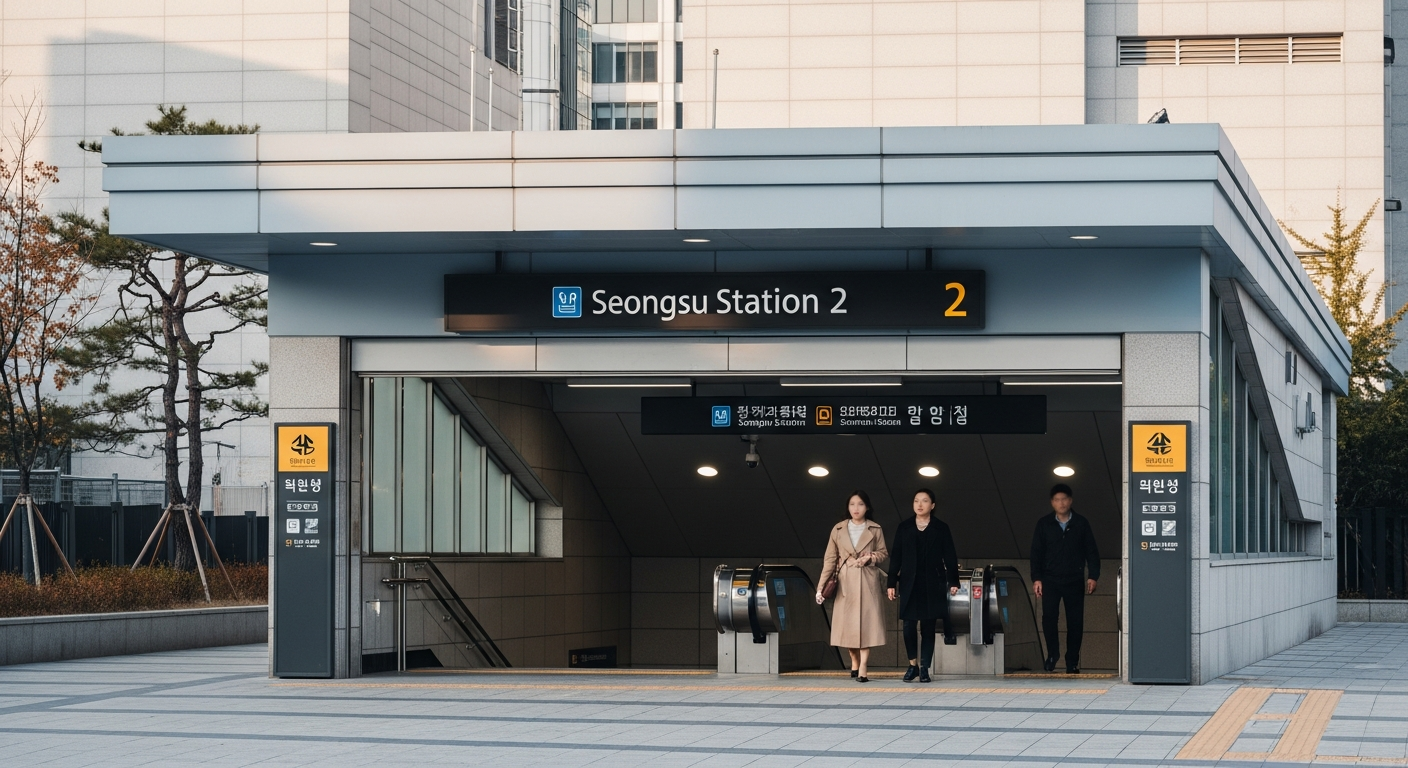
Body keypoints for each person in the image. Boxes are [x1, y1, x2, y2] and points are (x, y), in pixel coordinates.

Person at [885, 488, 960, 683]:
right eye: (916, 500)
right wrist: (891, 582)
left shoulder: (941, 528)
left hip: (932, 582)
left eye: (925, 501)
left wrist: (953, 581)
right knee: (909, 625)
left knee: (928, 626)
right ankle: (912, 665)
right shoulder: (904, 527)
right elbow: (897, 557)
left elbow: (950, 555)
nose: (919, 504)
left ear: (932, 505)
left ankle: (925, 667)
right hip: (910, 582)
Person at [815, 491, 888, 682]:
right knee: (847, 627)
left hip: (867, 580)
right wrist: (820, 587)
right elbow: (830, 560)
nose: (856, 508)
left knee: (866, 625)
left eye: (861, 504)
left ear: (867, 507)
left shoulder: (875, 529)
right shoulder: (838, 529)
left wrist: (870, 557)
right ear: (848, 507)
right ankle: (854, 660)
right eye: (852, 504)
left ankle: (863, 666)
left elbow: (882, 553)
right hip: (845, 582)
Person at [1030, 483, 1100, 674]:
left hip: (1074, 579)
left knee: (1075, 622)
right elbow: (1036, 553)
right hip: (1050, 580)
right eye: (1057, 500)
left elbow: (1091, 552)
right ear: (1052, 503)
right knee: (1049, 619)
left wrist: (1093, 576)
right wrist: (1037, 578)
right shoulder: (1044, 524)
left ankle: (1072, 661)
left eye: (1064, 499)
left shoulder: (1081, 523)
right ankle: (1052, 655)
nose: (1061, 503)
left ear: (1070, 501)